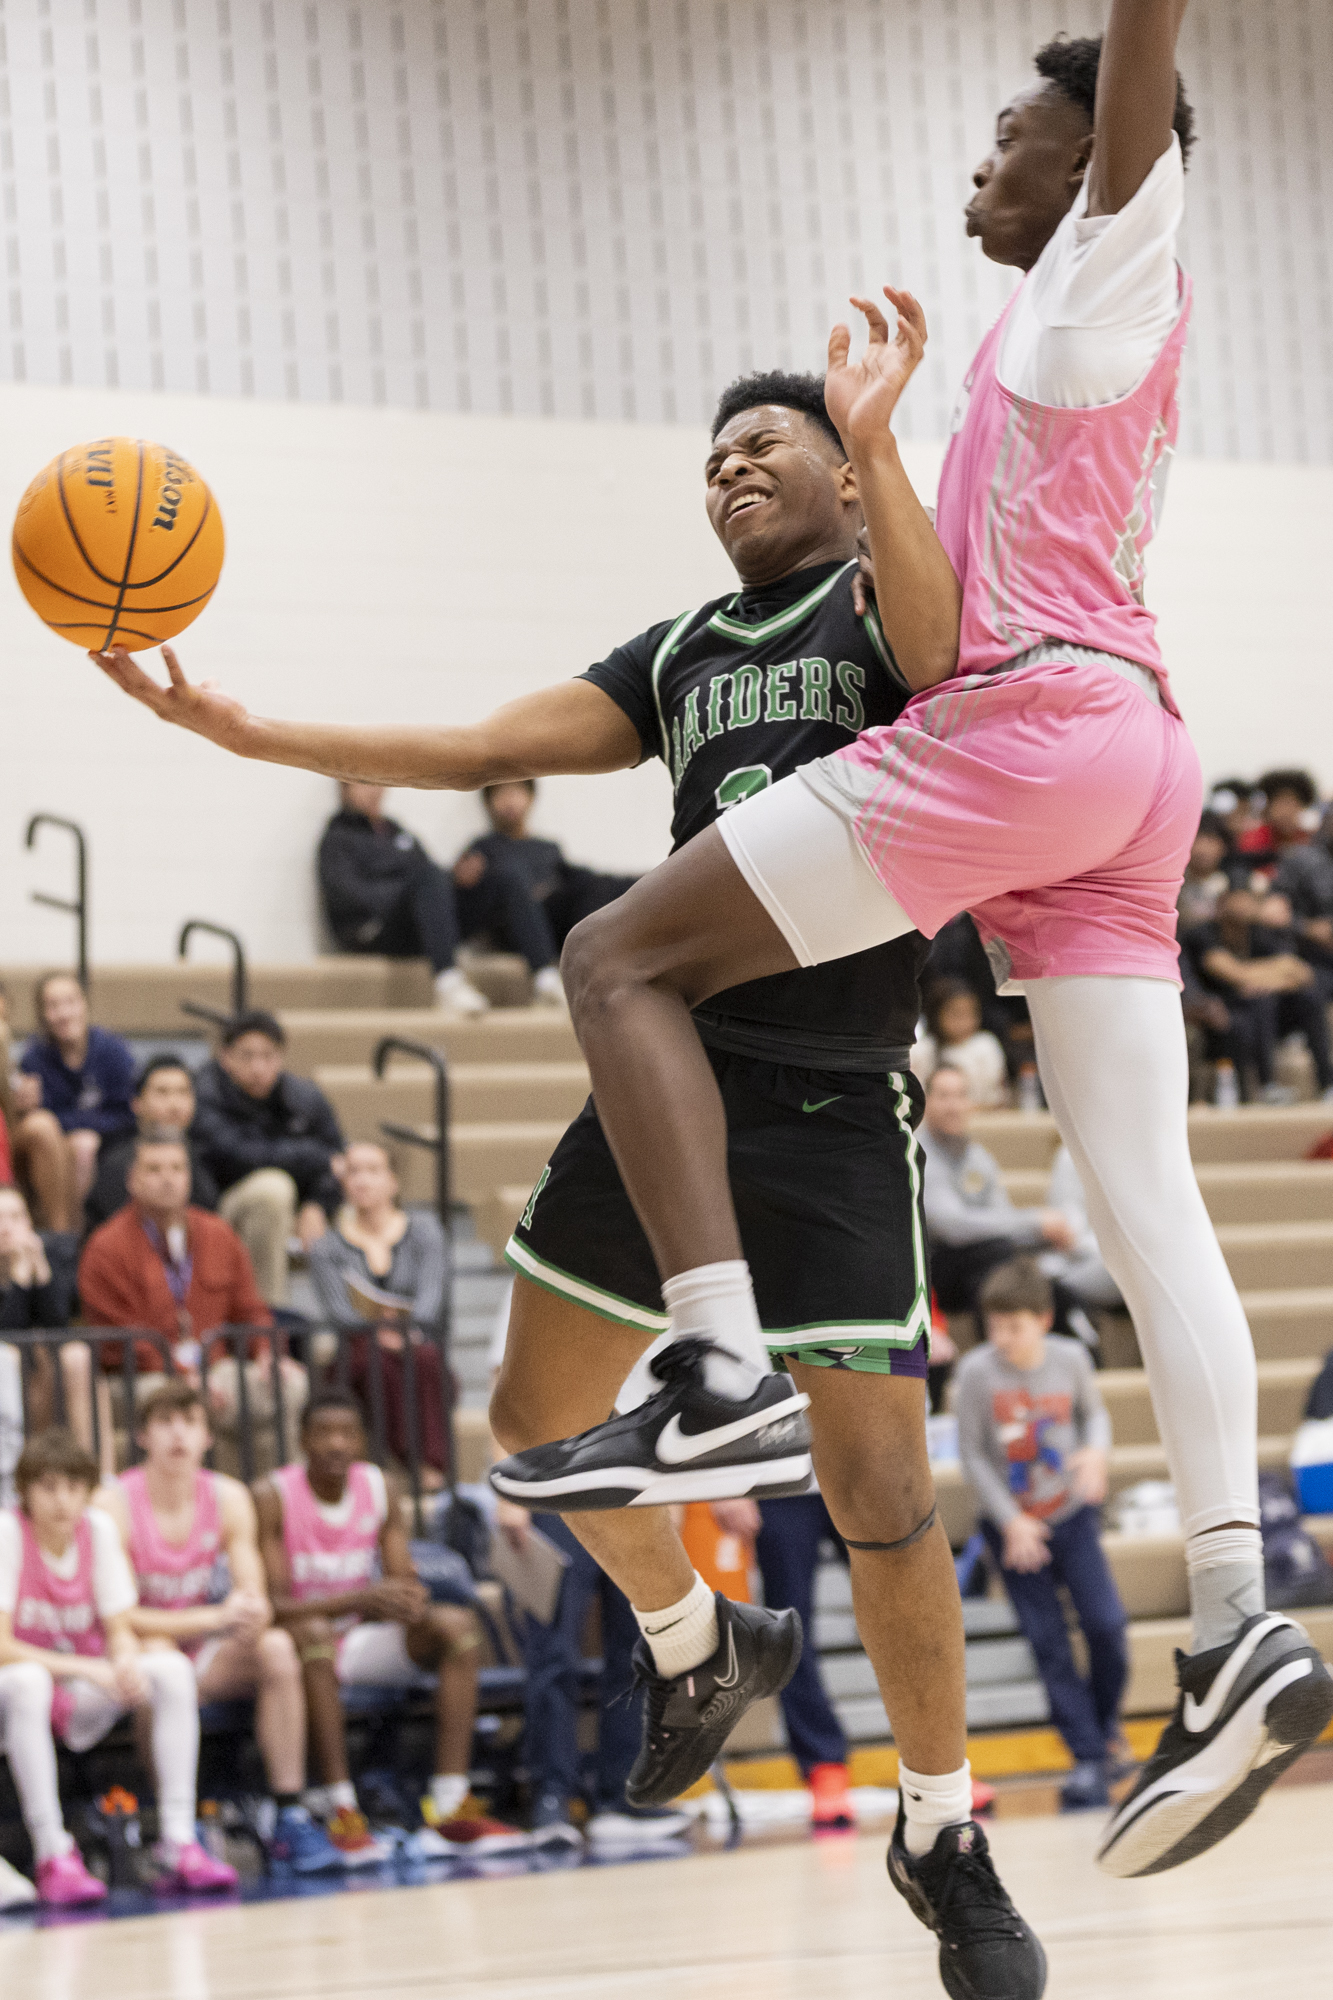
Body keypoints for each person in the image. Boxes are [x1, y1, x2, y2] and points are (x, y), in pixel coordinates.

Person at [482, 0, 1332, 1885]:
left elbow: (1138, 65)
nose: (979, 167)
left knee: (621, 961)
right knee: (1144, 1206)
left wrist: (1122, 74)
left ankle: (713, 1370)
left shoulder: (1109, 256)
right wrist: (873, 439)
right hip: (1136, 762)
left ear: (1092, 161)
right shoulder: (1031, 346)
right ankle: (1230, 1615)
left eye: (1003, 143)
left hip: (1032, 734)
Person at [90, 349, 1043, 1988]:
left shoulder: (882, 606)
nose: (728, 469)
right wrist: (246, 732)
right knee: (532, 1428)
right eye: (712, 456)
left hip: (826, 1093)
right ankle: (696, 1638)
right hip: (668, 1074)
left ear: (835, 468)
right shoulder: (677, 653)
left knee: (881, 1504)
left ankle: (941, 1830)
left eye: (762, 444)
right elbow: (475, 742)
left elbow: (953, 650)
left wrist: (883, 446)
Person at [254, 1390, 524, 1861]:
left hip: (359, 1643)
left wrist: (407, 1597)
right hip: (300, 1646)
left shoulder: (380, 1487)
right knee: (314, 1634)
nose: (337, 1444)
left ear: (361, 1440)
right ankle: (341, 1808)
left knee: (457, 1625)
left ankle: (448, 1803)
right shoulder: (273, 1495)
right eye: (324, 1433)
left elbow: (400, 1576)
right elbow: (272, 1607)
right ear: (302, 1440)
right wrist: (361, 1597)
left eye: (347, 1433)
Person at [96, 1379, 342, 1874]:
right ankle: (176, 1828)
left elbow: (253, 1599)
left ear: (209, 1436)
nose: (178, 1435)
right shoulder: (114, 1504)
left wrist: (248, 1611)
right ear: (142, 1436)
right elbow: (121, 1617)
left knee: (273, 1646)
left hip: (206, 1654)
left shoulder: (228, 1496)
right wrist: (216, 1617)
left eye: (189, 1422)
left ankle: (289, 1810)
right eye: (165, 1423)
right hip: (142, 1650)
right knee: (161, 1660)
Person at [0, 1427, 238, 1902]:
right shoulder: (8, 1532)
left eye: (72, 1487)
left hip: (78, 1689)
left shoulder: (99, 1530)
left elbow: (119, 1626)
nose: (62, 1501)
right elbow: (2, 1646)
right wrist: (93, 1670)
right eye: (48, 1487)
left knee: (169, 1668)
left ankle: (178, 1840)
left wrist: (126, 1662)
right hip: (24, 1694)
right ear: (25, 1491)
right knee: (27, 1680)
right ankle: (53, 1852)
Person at [956, 1260, 1127, 1813]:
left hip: (1071, 1516)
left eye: (1014, 1327)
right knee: (1048, 1643)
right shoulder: (977, 1374)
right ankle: (1088, 1757)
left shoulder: (1072, 1359)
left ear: (1044, 1320)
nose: (1001, 1338)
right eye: (993, 1326)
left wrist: (1096, 1453)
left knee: (1107, 1625)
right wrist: (1009, 1520)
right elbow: (974, 1455)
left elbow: (1094, 1416)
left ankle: (1100, 1735)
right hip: (1015, 1527)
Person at [78, 1132, 308, 1472]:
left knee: (287, 1384)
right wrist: (182, 1374)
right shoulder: (106, 1246)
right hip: (146, 1375)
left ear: (189, 1177)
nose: (168, 1178)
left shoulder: (218, 1233)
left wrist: (266, 1352)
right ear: (133, 1180)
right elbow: (118, 1338)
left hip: (215, 1367)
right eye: (154, 1169)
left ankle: (275, 1500)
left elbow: (251, 1309)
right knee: (171, 1398)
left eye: (177, 1168)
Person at [308, 1142, 452, 1477]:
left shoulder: (425, 1231)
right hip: (359, 1348)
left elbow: (431, 1299)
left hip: (415, 1340)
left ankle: (428, 1469)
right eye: (353, 1171)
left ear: (393, 1182)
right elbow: (339, 1312)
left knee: (426, 1360)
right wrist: (378, 1332)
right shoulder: (327, 1246)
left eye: (373, 1170)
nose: (362, 1180)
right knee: (374, 1362)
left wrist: (406, 1331)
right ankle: (415, 1465)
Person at [192, 1012, 345, 1307]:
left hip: (297, 1209)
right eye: (247, 1056)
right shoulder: (205, 1093)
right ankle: (265, 1318)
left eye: (268, 1056)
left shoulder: (305, 1096)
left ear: (281, 1057)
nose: (258, 1067)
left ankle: (354, 1334)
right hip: (220, 1209)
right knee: (273, 1190)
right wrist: (314, 1156)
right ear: (226, 1058)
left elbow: (338, 1163)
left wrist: (318, 1205)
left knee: (359, 1203)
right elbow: (241, 1156)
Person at [917, 1066, 1076, 1337]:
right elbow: (951, 1227)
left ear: (971, 1104)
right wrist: (1037, 1222)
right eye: (943, 1096)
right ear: (926, 1102)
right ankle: (995, 1353)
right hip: (929, 1270)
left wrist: (1045, 1236)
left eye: (960, 1096)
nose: (953, 1106)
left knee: (1053, 1287)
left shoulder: (978, 1157)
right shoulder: (919, 1154)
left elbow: (1004, 1221)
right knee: (997, 1257)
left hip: (981, 1263)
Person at [454, 779, 637, 1005]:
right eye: (500, 794)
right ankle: (545, 977)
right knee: (512, 877)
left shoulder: (547, 847)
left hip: (552, 920)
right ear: (489, 803)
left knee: (597, 882)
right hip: (511, 924)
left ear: (530, 798)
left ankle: (599, 965)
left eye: (516, 792)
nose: (509, 801)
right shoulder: (483, 846)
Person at [318, 781, 490, 1016]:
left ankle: (544, 978)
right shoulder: (337, 839)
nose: (374, 790)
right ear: (344, 788)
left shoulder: (397, 831)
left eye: (378, 782)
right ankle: (448, 981)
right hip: (372, 932)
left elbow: (429, 874)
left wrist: (454, 878)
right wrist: (405, 892)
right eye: (364, 783)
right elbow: (348, 896)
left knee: (501, 878)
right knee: (427, 878)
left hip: (411, 925)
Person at [1182, 888, 1333, 1102]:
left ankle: (1327, 1084)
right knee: (1262, 1002)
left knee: (1309, 998)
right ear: (1222, 903)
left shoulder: (1259, 933)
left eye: (1249, 898)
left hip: (1265, 1012)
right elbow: (1231, 973)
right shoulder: (1203, 934)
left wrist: (1262, 981)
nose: (1244, 905)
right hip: (1221, 1012)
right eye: (1237, 897)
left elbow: (1301, 972)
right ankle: (1267, 1086)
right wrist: (1270, 974)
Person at [14, 973, 135, 1226]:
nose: (64, 1013)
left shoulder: (112, 1050)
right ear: (42, 1015)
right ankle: (67, 1234)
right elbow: (39, 1115)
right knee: (71, 1142)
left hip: (111, 1144)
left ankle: (77, 1234)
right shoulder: (35, 1057)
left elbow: (127, 1112)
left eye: (70, 1002)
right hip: (57, 1148)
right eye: (53, 1006)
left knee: (84, 1145)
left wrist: (81, 1125)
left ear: (85, 1005)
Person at [84, 1054, 219, 1234]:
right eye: (162, 1092)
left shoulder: (210, 1151)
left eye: (183, 1092)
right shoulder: (116, 1162)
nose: (174, 1104)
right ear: (137, 1103)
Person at [911, 978, 1009, 1107]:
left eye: (970, 1014)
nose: (964, 1022)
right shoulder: (921, 1049)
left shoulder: (986, 1045)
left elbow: (998, 1095)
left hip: (982, 1116)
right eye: (956, 1014)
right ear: (936, 1015)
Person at [1234, 769, 1317, 884]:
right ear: (1269, 807)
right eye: (1280, 803)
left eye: (1291, 804)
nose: (1285, 812)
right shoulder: (1252, 840)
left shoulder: (1310, 840)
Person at [1176, 811, 1237, 930]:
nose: (1202, 849)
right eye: (1197, 839)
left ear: (1224, 846)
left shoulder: (1232, 881)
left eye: (1210, 840)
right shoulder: (1175, 879)